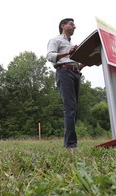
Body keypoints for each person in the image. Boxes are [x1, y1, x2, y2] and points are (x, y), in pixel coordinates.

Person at [46, 18, 85, 149]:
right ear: (63, 26)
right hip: (64, 73)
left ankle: (70, 143)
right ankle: (70, 145)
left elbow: (76, 66)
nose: (75, 27)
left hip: (75, 73)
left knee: (75, 109)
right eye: (72, 24)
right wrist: (68, 52)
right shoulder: (55, 40)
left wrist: (86, 62)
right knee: (70, 108)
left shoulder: (72, 43)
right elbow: (50, 56)